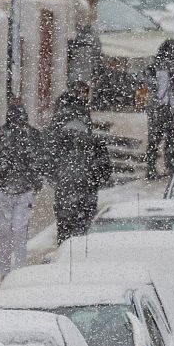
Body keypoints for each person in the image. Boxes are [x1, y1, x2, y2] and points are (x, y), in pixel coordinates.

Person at [0, 101, 42, 275]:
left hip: (7, 190)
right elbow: (42, 161)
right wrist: (36, 181)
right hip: (16, 191)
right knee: (18, 235)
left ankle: (7, 274)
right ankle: (15, 274)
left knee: (6, 237)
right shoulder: (32, 135)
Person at [45, 87, 113, 242]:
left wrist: (58, 180)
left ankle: (66, 253)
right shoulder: (94, 142)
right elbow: (105, 171)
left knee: (64, 232)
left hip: (65, 192)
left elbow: (48, 165)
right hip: (86, 193)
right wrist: (93, 182)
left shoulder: (57, 140)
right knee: (83, 234)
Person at [145, 40, 174, 179]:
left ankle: (155, 168)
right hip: (161, 107)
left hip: (161, 107)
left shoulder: (155, 67)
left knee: (158, 139)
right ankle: (163, 167)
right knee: (164, 138)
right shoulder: (165, 68)